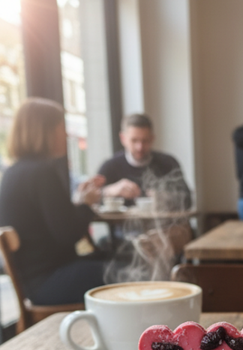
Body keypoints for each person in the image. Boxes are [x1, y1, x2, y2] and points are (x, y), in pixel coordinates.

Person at [0, 98, 107, 304]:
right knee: (127, 272)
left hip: (33, 282)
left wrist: (79, 202)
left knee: (114, 260)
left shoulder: (16, 172)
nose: (66, 135)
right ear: (46, 131)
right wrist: (86, 204)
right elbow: (68, 235)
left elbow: (54, 223)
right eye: (61, 127)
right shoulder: (43, 172)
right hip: (50, 281)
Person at [99, 113, 192, 209]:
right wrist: (110, 191)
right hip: (123, 224)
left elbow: (188, 200)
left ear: (152, 138)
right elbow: (92, 202)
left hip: (164, 223)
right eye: (134, 141)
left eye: (145, 141)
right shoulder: (111, 166)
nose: (140, 147)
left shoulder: (168, 163)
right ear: (123, 138)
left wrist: (163, 197)